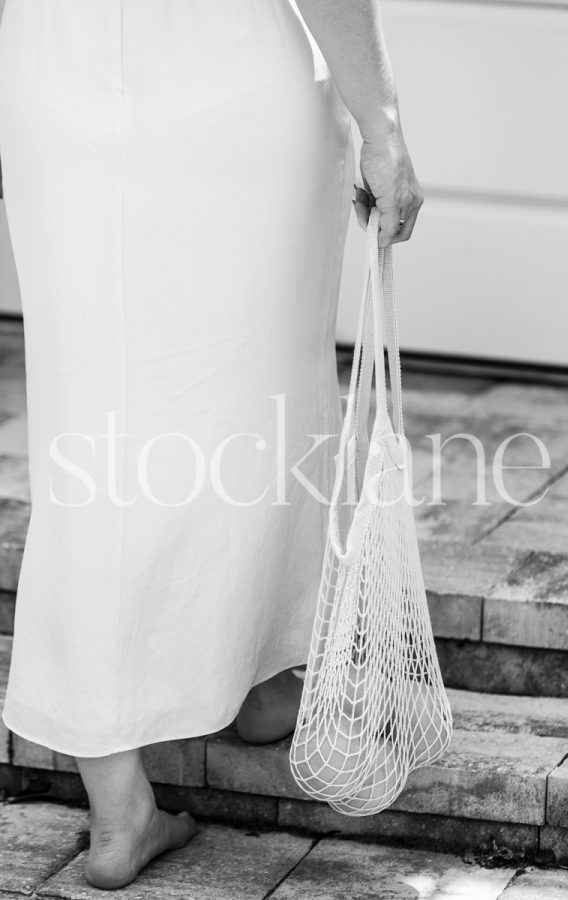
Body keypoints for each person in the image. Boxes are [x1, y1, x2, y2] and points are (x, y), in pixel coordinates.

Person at [0, 0, 423, 889]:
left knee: (92, 420)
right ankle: (264, 683)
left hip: (54, 76)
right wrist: (381, 120)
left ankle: (126, 803)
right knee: (253, 388)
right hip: (225, 71)